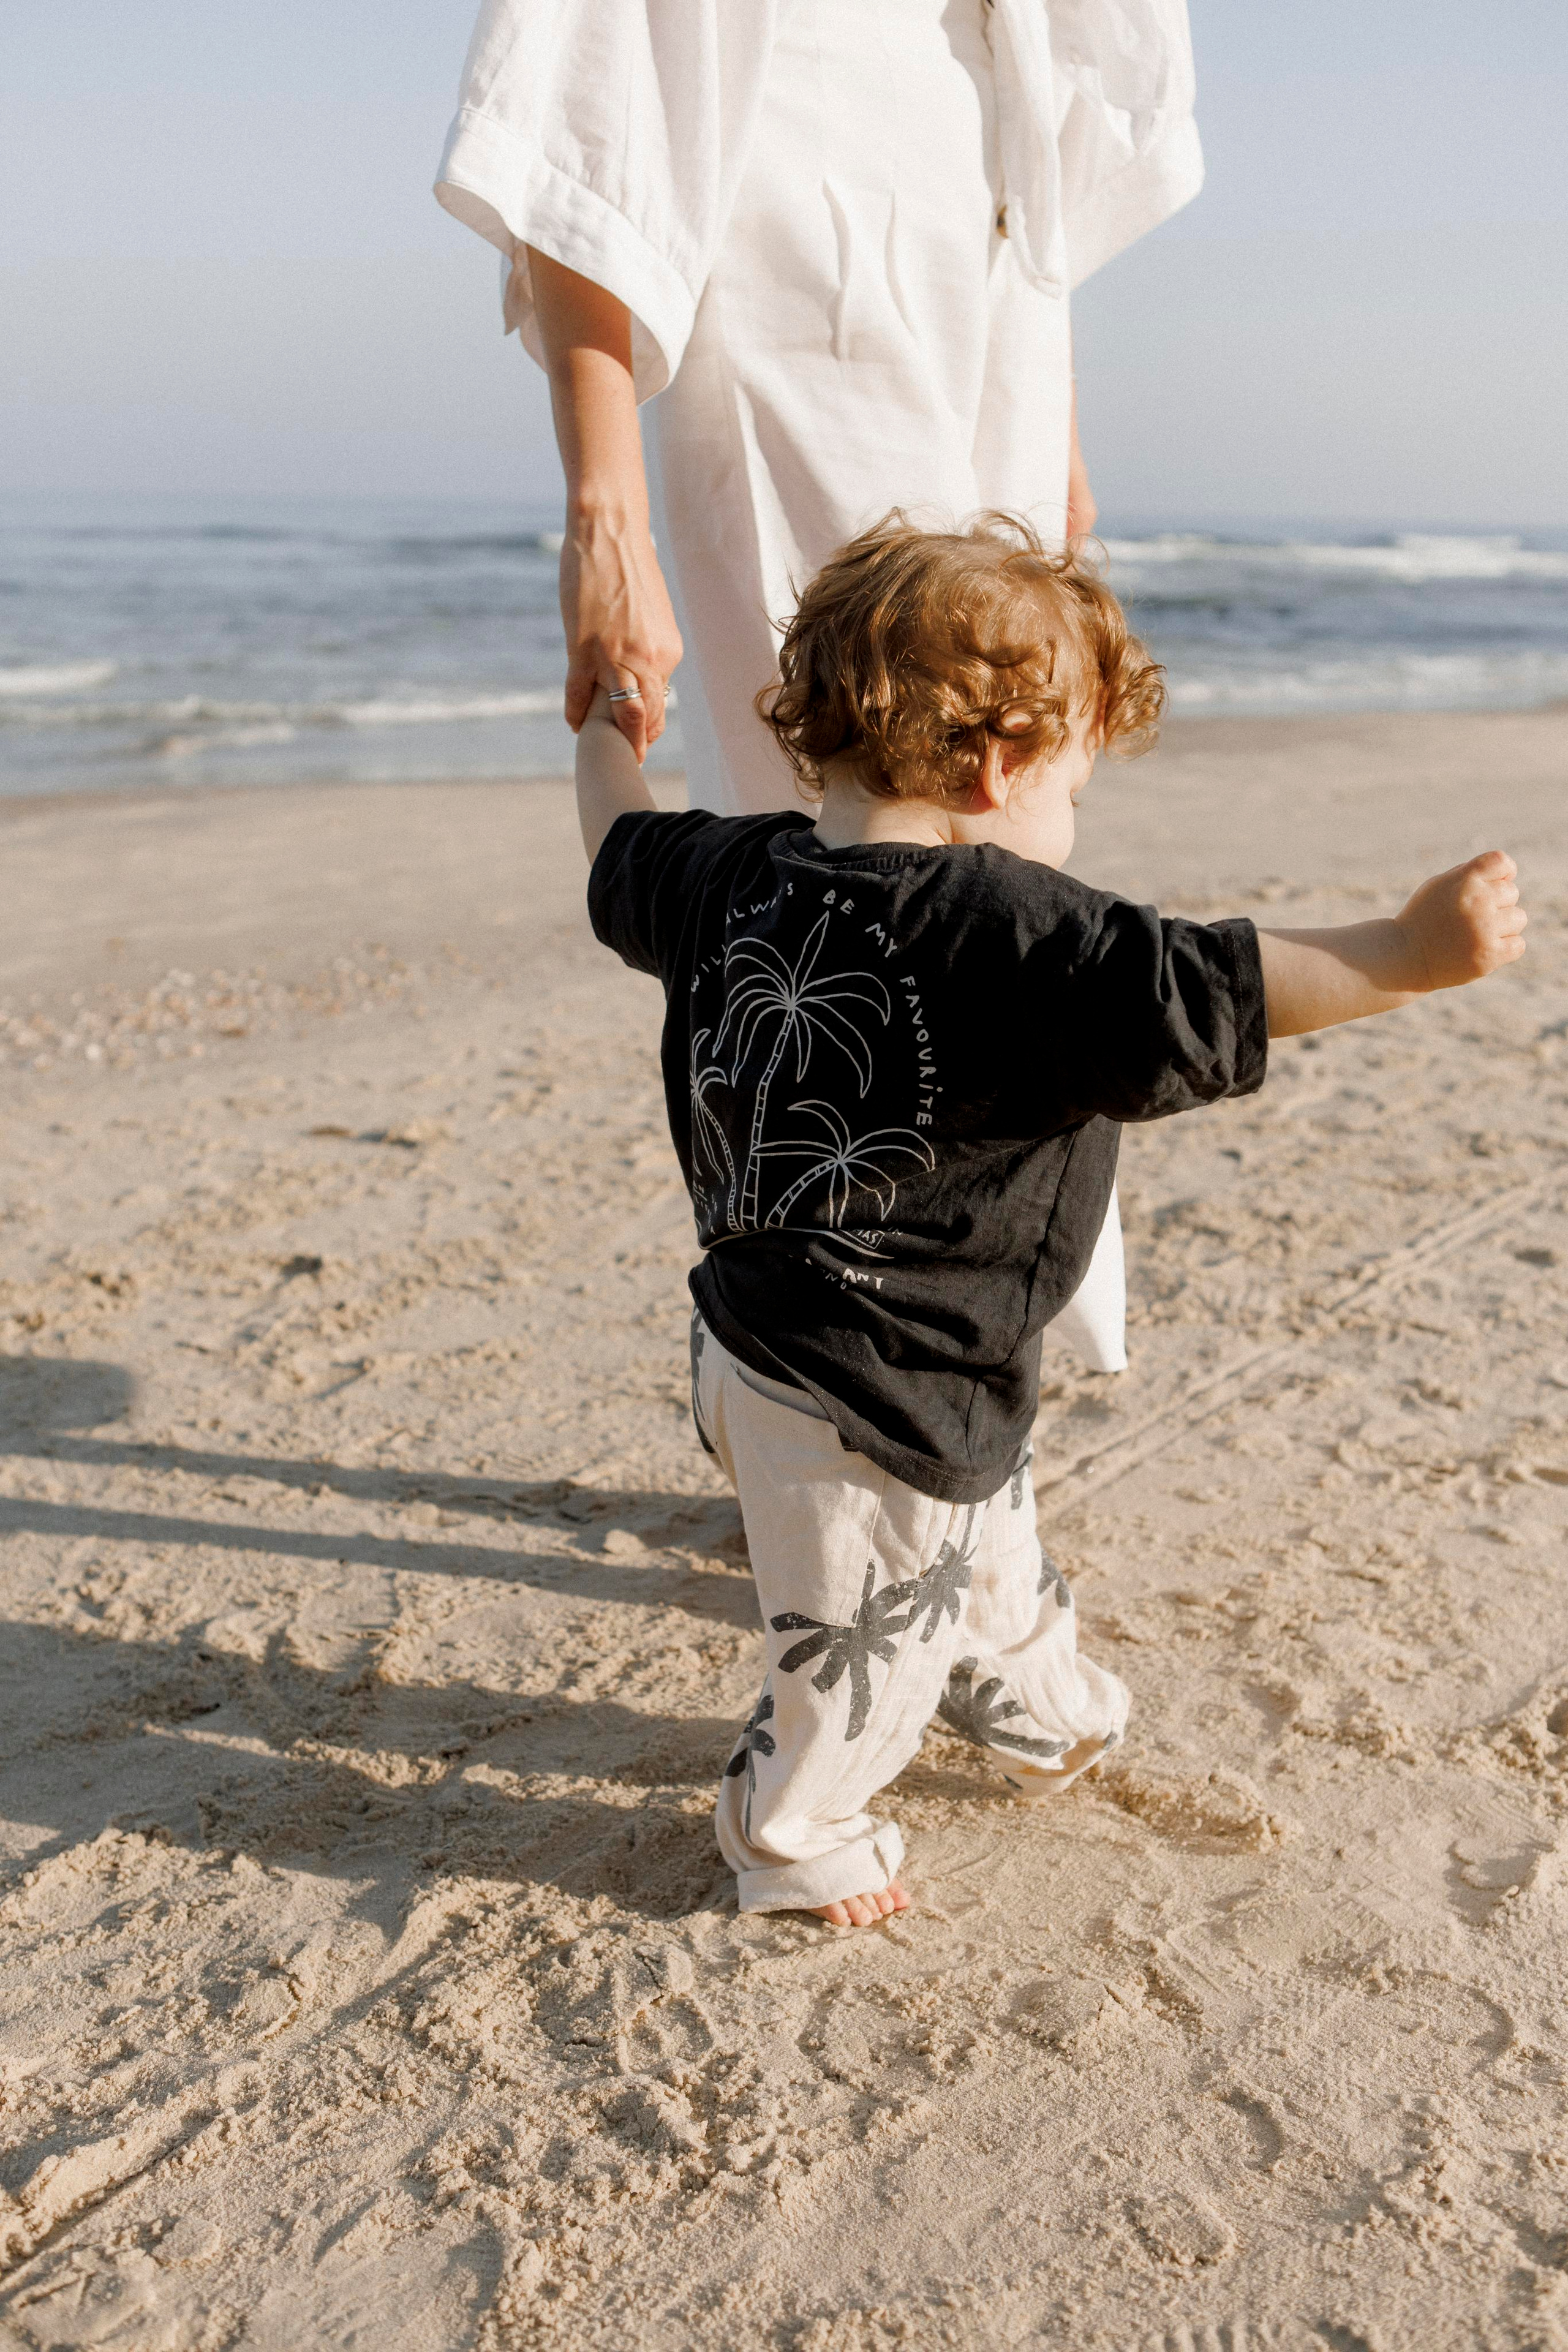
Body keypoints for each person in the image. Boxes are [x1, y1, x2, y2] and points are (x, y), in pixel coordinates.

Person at [575, 513, 1527, 1926]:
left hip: (795, 1341)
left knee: (987, 1529)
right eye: (1075, 777)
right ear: (998, 761)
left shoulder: (732, 873)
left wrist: (602, 720)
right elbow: (1220, 991)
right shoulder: (1010, 932)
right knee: (850, 1647)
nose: (1071, 817)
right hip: (860, 1403)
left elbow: (617, 837)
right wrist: (1408, 955)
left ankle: (1021, 1691)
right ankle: (791, 1831)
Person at [435, 0, 1205, 1371]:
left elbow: (1047, 95)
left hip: (986, 213)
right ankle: (829, 1360)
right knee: (840, 846)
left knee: (1007, 816)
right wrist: (602, 522)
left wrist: (1052, 423)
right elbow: (589, 107)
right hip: (788, 208)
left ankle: (969, 1324)